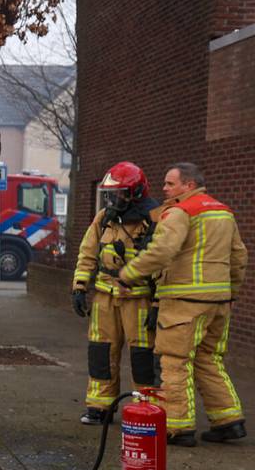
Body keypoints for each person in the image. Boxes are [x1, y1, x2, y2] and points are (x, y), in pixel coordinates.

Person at [119, 162, 247, 446]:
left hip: (183, 302)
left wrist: (129, 273)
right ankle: (229, 421)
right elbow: (239, 257)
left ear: (188, 185)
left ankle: (177, 427)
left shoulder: (180, 212)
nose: (164, 188)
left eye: (170, 183)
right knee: (209, 360)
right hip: (219, 302)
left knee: (174, 362)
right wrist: (231, 293)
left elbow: (162, 250)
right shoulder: (223, 212)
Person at [71, 162, 161, 425]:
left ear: (135, 193)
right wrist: (79, 287)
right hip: (104, 297)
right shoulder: (105, 218)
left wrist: (157, 304)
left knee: (142, 355)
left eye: (119, 193)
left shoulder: (153, 219)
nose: (113, 199)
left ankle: (145, 407)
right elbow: (87, 253)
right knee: (101, 351)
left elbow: (161, 264)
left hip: (139, 299)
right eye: (111, 193)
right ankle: (100, 406)